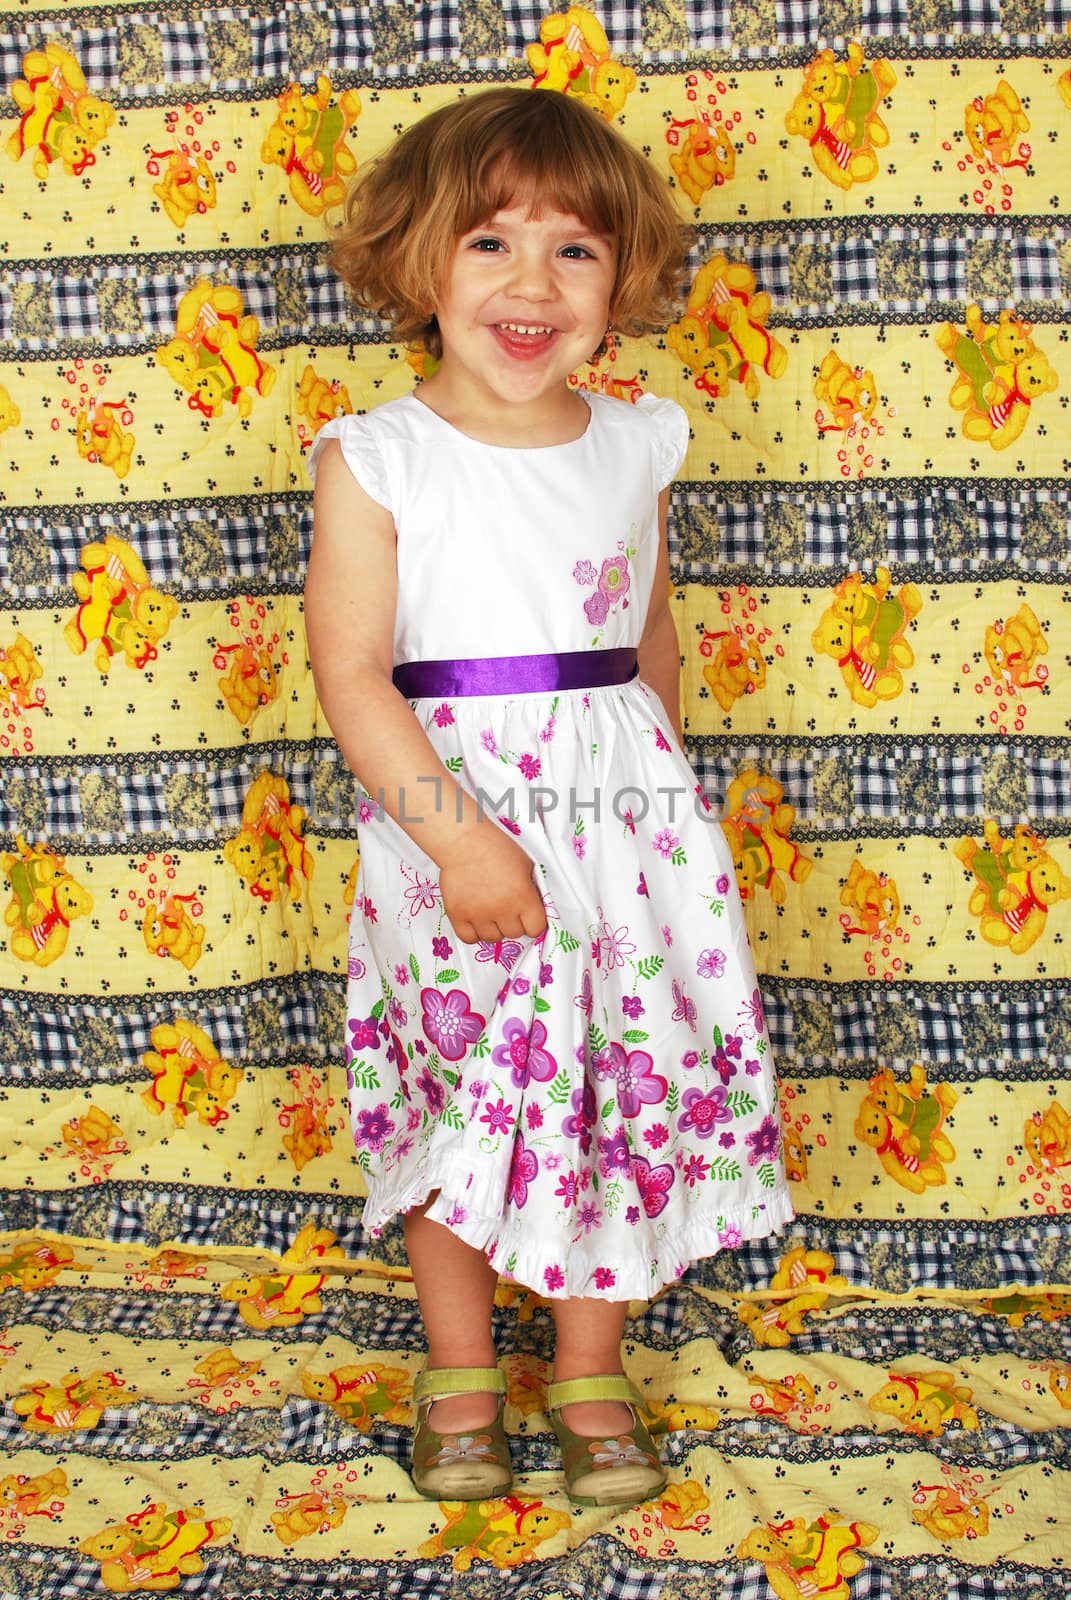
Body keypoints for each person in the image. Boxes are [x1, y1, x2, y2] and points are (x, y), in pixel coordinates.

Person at [305, 86, 793, 1509]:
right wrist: (460, 844)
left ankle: (590, 1365)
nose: (533, 286)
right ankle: (458, 1364)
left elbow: (648, 638)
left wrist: (669, 803)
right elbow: (350, 674)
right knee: (473, 1090)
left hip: (624, 834)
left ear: (620, 280)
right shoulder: (377, 457)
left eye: (575, 252)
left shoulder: (636, 441)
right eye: (491, 246)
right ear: (416, 264)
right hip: (448, 824)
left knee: (611, 1088)